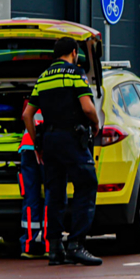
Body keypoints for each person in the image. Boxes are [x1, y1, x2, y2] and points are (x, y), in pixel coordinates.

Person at [21, 37, 102, 266]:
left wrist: (38, 143)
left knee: (54, 195)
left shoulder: (43, 77)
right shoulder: (76, 73)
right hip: (72, 139)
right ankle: (77, 245)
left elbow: (28, 115)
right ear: (74, 53)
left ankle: (55, 249)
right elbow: (87, 107)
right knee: (86, 185)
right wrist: (95, 124)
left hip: (50, 141)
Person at [17, 102, 46, 259]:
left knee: (30, 197)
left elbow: (26, 116)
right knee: (51, 195)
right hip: (46, 146)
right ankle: (50, 244)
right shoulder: (58, 96)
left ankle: (29, 245)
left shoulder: (33, 98)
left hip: (27, 147)